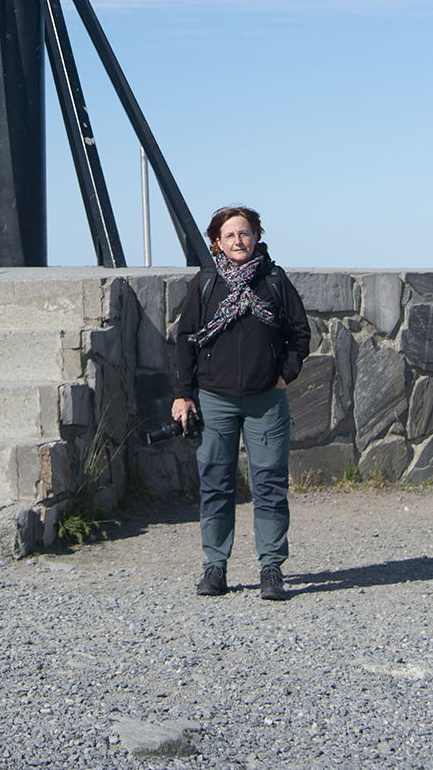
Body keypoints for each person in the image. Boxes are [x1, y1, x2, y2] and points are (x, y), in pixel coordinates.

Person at [172, 205, 310, 601]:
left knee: (270, 486)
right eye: (230, 235)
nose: (238, 241)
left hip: (266, 401)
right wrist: (183, 394)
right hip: (214, 400)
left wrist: (284, 375)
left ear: (256, 237)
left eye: (245, 233)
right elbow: (185, 339)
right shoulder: (206, 283)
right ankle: (215, 566)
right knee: (216, 485)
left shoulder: (274, 280)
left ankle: (271, 569)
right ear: (217, 242)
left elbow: (300, 334)